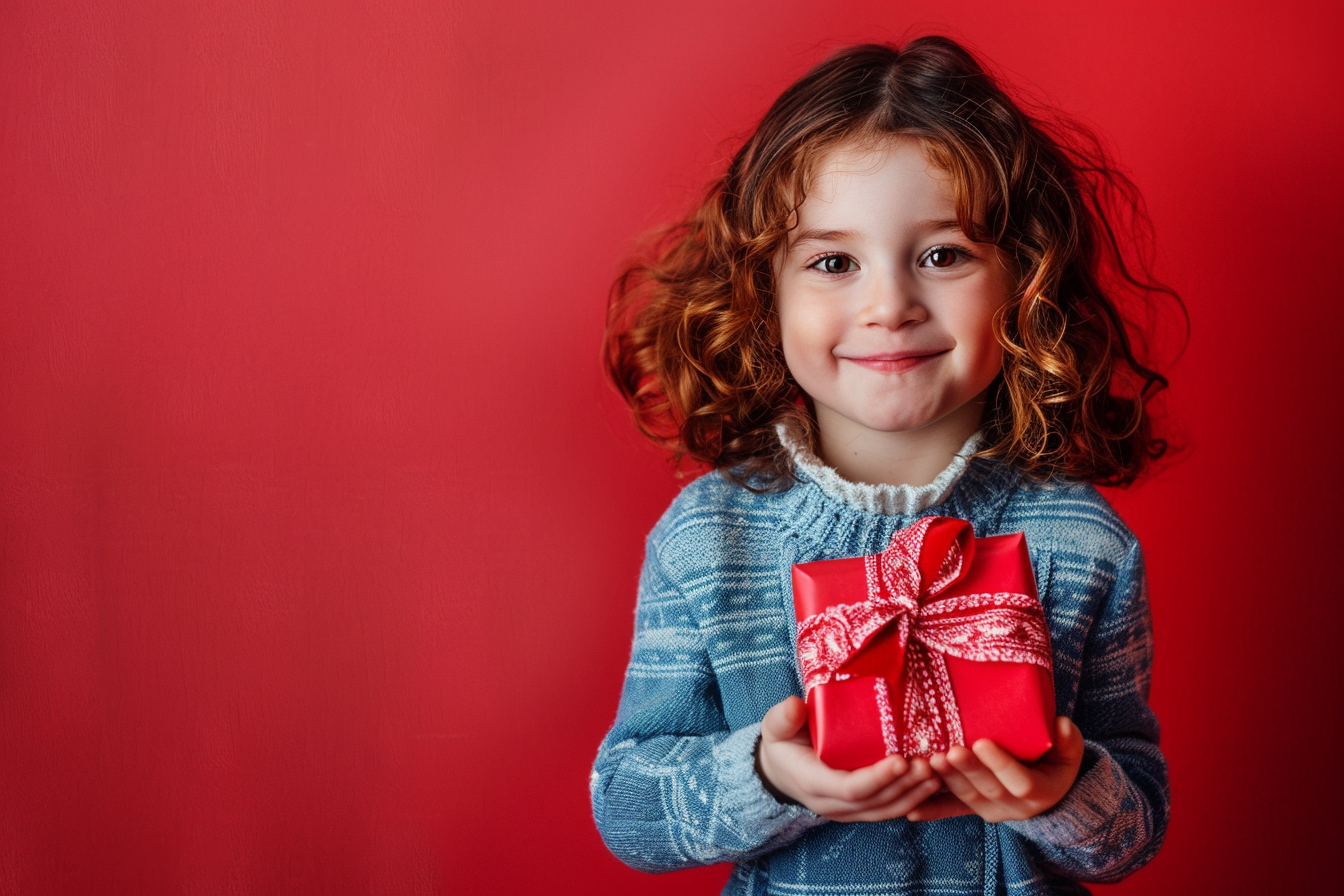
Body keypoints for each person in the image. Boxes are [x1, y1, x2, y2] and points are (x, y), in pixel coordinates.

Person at [592, 35, 1178, 895]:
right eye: (833, 262)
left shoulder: (1083, 542)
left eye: (943, 255)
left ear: (1025, 280)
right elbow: (629, 811)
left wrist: (1067, 789)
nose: (889, 305)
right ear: (767, 297)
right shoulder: (706, 539)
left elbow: (1134, 830)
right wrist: (769, 776)